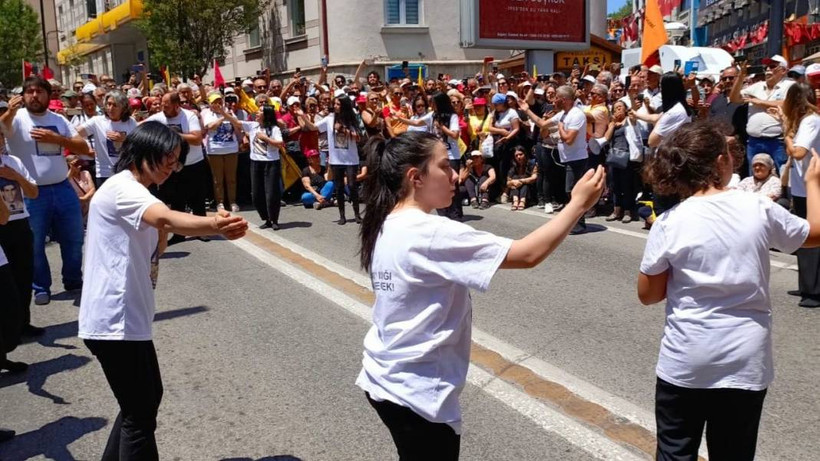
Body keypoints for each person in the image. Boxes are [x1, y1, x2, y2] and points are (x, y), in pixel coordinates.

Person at [355, 131, 604, 460]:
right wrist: (577, 205)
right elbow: (527, 254)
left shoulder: (387, 221)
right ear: (415, 177)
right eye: (444, 166)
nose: (455, 175)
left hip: (384, 378)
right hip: (417, 393)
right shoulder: (430, 231)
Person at [637, 121, 820, 461]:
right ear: (722, 161)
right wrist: (812, 181)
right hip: (744, 360)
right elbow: (814, 233)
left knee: (675, 452)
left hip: (686, 359)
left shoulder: (669, 221)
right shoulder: (758, 207)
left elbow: (648, 294)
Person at [79, 122, 248, 461]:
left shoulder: (137, 191)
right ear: (143, 153)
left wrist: (166, 230)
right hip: (115, 321)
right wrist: (214, 224)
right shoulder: (124, 189)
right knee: (140, 414)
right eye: (167, 159)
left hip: (126, 319)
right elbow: (167, 219)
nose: (172, 167)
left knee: (139, 405)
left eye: (176, 161)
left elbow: (159, 236)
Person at [0, 76, 90, 306]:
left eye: (39, 91)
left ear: (49, 95)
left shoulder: (58, 120)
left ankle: (73, 280)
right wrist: (9, 111)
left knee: (74, 237)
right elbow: (3, 129)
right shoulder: (17, 118)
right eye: (29, 91)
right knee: (35, 243)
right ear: (23, 95)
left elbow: (83, 147)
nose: (34, 96)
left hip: (62, 187)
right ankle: (41, 286)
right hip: (31, 192)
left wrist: (56, 138)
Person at [146, 92, 208, 244]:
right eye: (162, 105)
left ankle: (202, 231)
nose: (163, 108)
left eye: (166, 106)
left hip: (194, 163)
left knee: (198, 199)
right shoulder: (159, 117)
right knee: (176, 200)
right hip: (173, 166)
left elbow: (196, 139)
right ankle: (179, 233)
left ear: (176, 106)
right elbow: (141, 126)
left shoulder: (189, 116)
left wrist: (175, 135)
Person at [782, 83, 820, 308]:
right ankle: (807, 284)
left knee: (812, 236)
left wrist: (787, 135)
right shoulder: (803, 121)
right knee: (803, 235)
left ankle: (814, 290)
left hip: (812, 186)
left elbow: (798, 152)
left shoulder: (810, 121)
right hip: (802, 187)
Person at [0, 131, 40, 339]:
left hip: (20, 224)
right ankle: (8, 330)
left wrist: (15, 176)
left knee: (24, 276)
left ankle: (23, 323)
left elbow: (34, 192)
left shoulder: (13, 161)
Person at [302, 94, 362, 224]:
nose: (335, 106)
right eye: (334, 104)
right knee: (339, 187)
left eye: (338, 104)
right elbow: (314, 127)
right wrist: (302, 116)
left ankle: (357, 214)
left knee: (352, 186)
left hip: (351, 159)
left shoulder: (351, 119)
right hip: (336, 160)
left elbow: (358, 137)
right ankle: (342, 216)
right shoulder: (330, 118)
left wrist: (343, 130)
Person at [731, 56, 795, 173]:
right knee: (754, 178)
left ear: (784, 70)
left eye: (772, 66)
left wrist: (759, 102)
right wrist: (741, 77)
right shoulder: (757, 86)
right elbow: (734, 98)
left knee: (782, 175)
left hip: (777, 142)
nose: (768, 70)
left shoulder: (790, 86)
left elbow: (787, 103)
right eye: (766, 67)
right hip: (754, 142)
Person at [76, 90, 138, 187]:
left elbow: (139, 144)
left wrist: (125, 139)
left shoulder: (131, 122)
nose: (110, 108)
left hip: (126, 173)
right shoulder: (97, 121)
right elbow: (75, 133)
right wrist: (85, 149)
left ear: (123, 107)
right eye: (108, 104)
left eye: (115, 105)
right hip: (104, 174)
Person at [242, 105, 284, 230]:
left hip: (271, 163)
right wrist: (223, 112)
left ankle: (274, 219)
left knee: (271, 194)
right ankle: (266, 219)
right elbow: (236, 122)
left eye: (260, 111)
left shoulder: (274, 129)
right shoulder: (252, 125)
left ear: (266, 115)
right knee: (256, 194)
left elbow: (279, 144)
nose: (257, 113)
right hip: (256, 163)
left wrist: (265, 138)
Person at [202, 92, 244, 212]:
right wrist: (222, 117)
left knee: (231, 178)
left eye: (219, 101)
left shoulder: (229, 112)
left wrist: (227, 115)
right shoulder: (208, 114)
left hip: (231, 149)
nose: (218, 104)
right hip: (215, 150)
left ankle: (232, 202)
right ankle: (220, 202)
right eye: (214, 102)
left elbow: (238, 126)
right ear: (210, 104)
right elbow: (211, 126)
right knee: (217, 179)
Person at [605, 100, 643, 222]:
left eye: (620, 107)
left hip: (627, 156)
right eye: (615, 108)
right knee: (614, 185)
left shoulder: (629, 121)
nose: (618, 110)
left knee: (627, 185)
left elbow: (634, 127)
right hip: (614, 156)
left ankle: (627, 211)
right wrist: (612, 125)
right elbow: (606, 138)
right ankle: (616, 210)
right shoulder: (613, 123)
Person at [66, 154, 96, 222]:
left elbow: (92, 189)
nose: (79, 166)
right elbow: (65, 183)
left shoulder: (86, 173)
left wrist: (85, 198)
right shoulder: (67, 177)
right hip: (76, 208)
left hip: (88, 208)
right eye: (76, 164)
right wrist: (72, 169)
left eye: (79, 163)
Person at [506, 146, 537, 210]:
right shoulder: (513, 166)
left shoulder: (531, 163)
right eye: (516, 156)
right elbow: (508, 182)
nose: (518, 157)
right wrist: (513, 182)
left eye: (520, 154)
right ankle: (516, 200)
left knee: (524, 180)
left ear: (525, 154)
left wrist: (521, 181)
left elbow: (534, 178)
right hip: (516, 192)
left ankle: (522, 201)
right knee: (514, 178)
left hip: (530, 190)